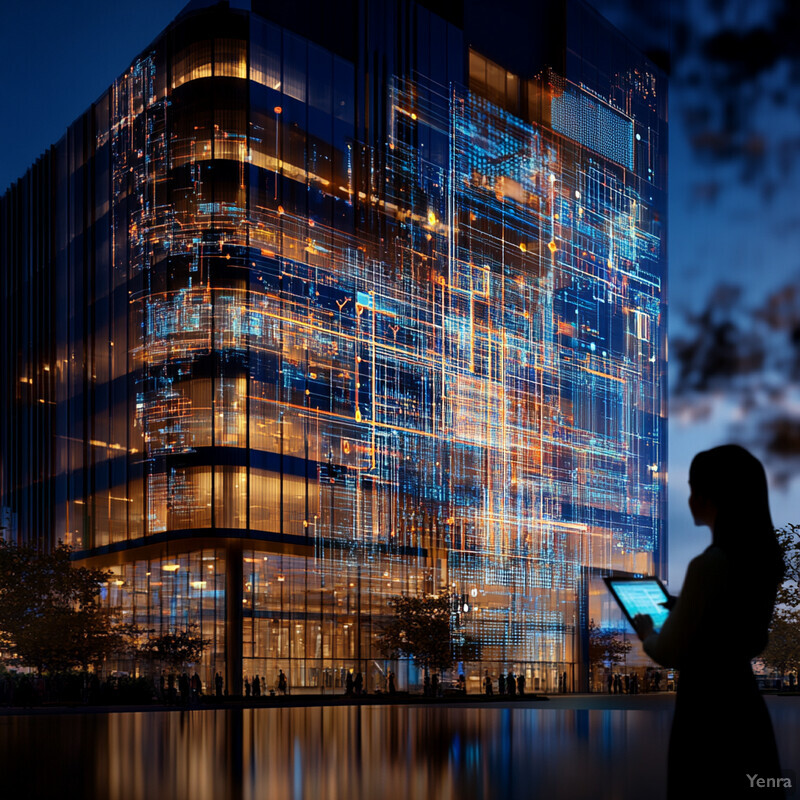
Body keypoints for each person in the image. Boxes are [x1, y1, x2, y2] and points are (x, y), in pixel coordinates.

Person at [632, 445, 784, 799]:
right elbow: (736, 625)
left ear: (711, 496)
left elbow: (669, 652)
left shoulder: (707, 566)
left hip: (704, 711)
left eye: (692, 488)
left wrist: (647, 632)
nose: (689, 498)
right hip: (744, 704)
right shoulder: (761, 563)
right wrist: (686, 606)